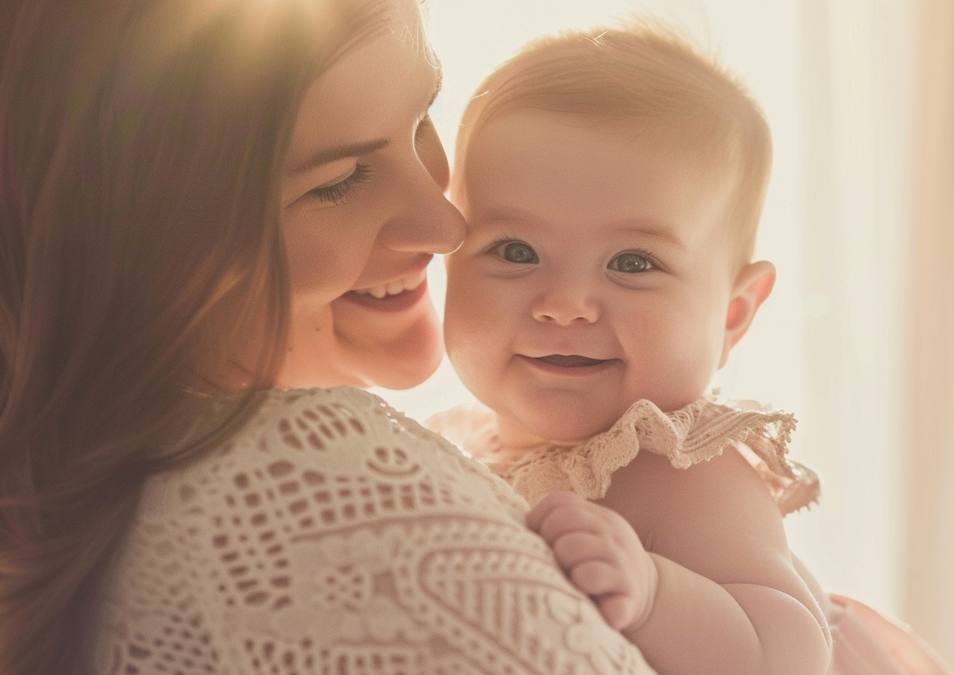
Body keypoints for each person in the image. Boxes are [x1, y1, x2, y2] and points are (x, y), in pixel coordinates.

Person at [0, 2, 653, 673]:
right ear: (128, 240)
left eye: (423, 119)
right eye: (337, 183)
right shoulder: (323, 494)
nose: (448, 223)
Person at [432, 24, 950, 675]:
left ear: (733, 314)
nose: (565, 303)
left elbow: (787, 653)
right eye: (515, 250)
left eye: (631, 261)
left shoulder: (683, 469)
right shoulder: (450, 453)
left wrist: (653, 594)